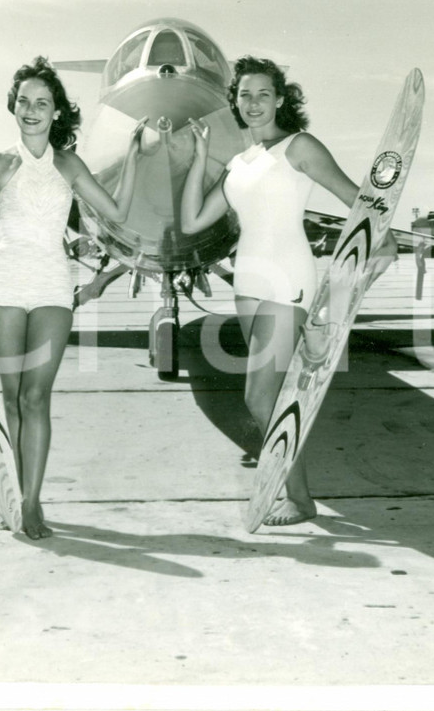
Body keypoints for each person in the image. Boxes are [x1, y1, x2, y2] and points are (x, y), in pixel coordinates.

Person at [0, 56, 144, 539]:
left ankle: (33, 502)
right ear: (13, 106)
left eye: (42, 103)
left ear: (56, 111)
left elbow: (119, 212)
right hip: (5, 283)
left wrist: (134, 157)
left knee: (37, 395)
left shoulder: (68, 163)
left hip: (52, 285)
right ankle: (14, 494)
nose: (31, 110)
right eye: (24, 101)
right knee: (11, 398)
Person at [180, 56, 360, 526]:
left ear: (281, 99)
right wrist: (201, 161)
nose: (253, 103)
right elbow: (192, 221)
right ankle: (297, 495)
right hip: (248, 282)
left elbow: (358, 200)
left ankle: (299, 498)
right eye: (244, 95)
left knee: (261, 398)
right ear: (234, 103)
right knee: (267, 395)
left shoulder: (299, 147)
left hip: (288, 276)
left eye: (263, 94)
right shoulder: (239, 163)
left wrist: (377, 246)